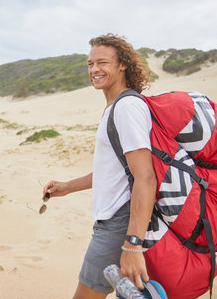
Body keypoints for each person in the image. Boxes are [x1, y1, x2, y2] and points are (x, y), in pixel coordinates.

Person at [43, 34, 157, 299]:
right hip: (114, 221)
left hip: (119, 223)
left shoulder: (126, 107)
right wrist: (67, 187)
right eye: (90, 64)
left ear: (123, 65)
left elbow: (145, 177)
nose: (94, 70)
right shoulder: (114, 106)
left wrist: (132, 246)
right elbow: (115, 170)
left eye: (102, 62)